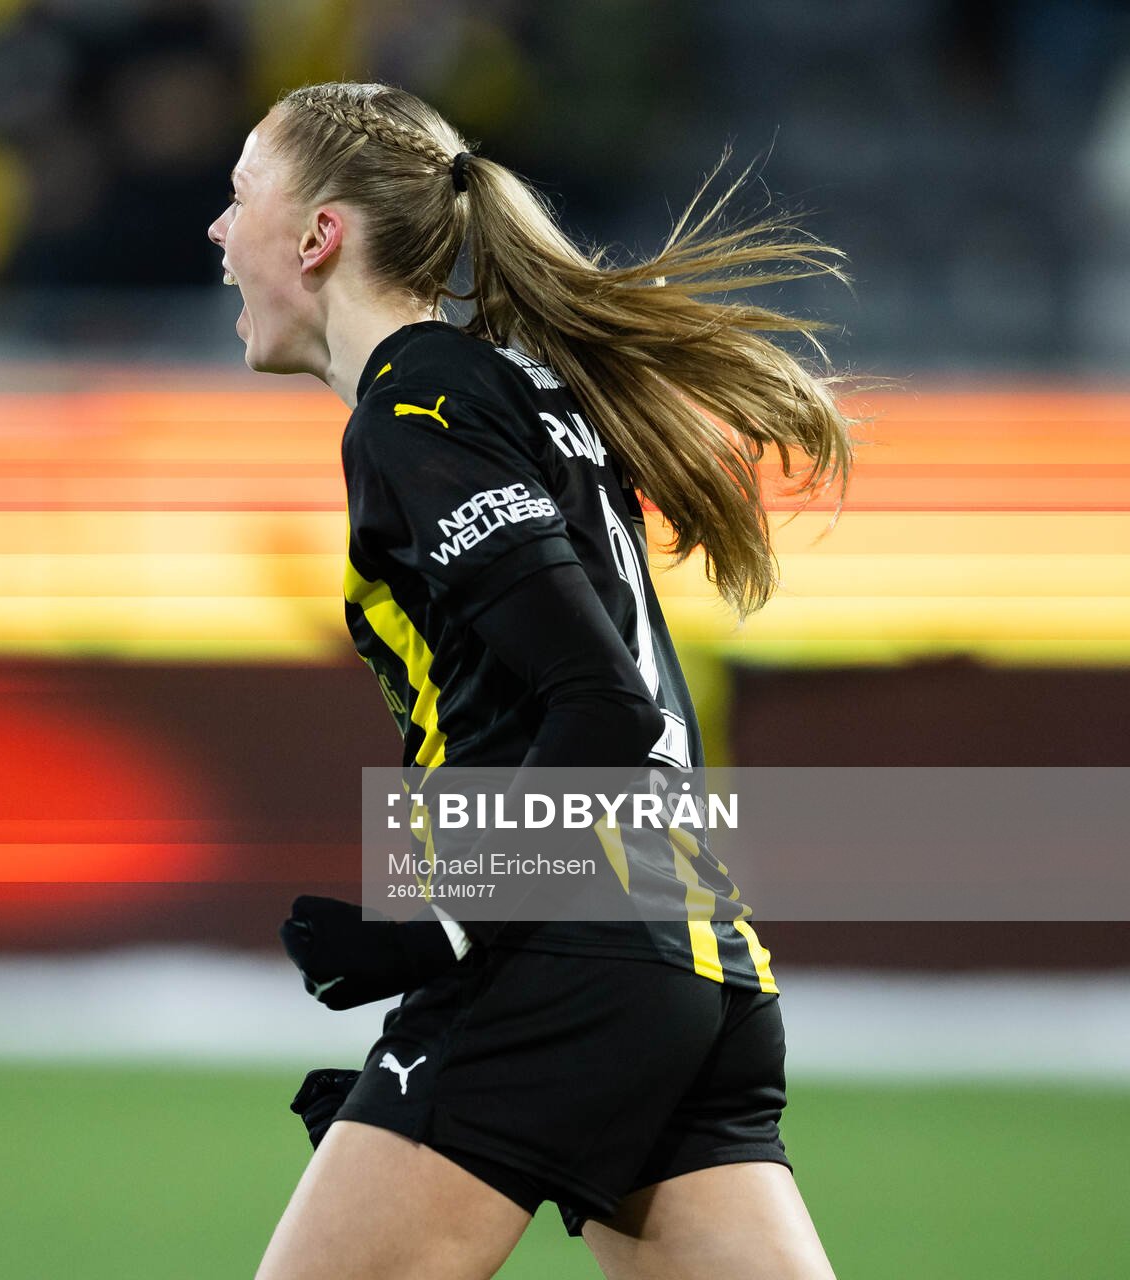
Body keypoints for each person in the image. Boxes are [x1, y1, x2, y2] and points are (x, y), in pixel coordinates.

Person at [207, 82, 856, 1278]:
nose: (216, 230)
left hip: (561, 953)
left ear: (317, 236)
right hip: (695, 957)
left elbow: (606, 706)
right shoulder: (516, 387)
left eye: (239, 194)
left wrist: (444, 919)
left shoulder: (416, 407)